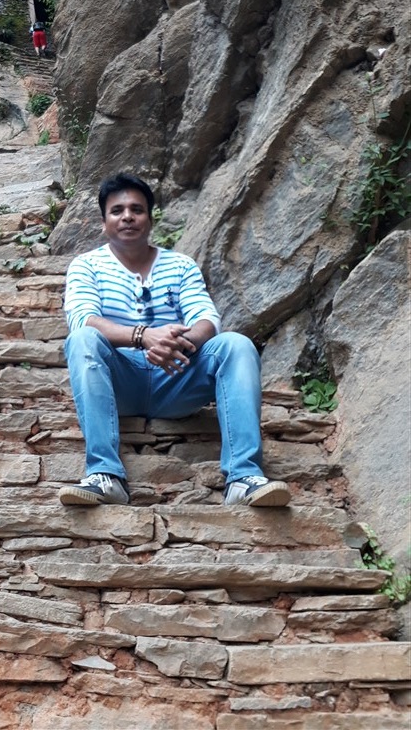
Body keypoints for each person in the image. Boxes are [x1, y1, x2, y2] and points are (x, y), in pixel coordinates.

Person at [60, 172, 289, 509]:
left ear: (150, 218)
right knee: (82, 339)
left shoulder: (180, 265)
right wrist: (143, 337)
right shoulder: (86, 266)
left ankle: (243, 478)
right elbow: (83, 318)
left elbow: (206, 319)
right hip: (118, 380)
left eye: (137, 209)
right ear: (103, 221)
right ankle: (104, 475)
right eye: (117, 210)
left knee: (236, 344)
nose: (127, 217)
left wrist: (176, 343)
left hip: (176, 376)